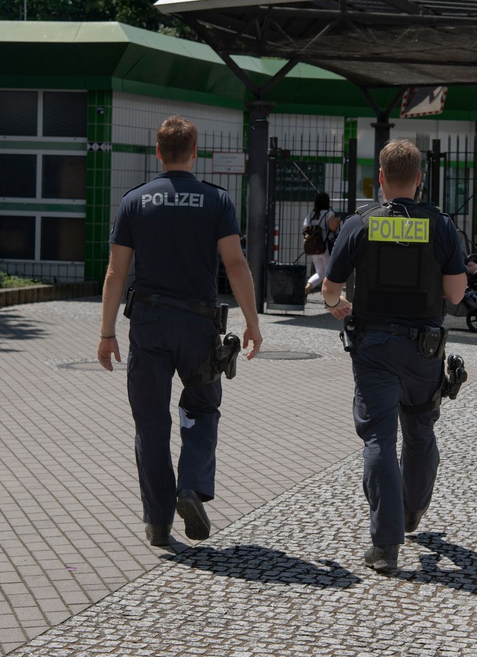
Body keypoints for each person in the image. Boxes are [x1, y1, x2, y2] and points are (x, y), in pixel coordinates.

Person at [97, 115, 263, 548]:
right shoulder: (216, 200)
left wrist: (106, 332)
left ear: (158, 153)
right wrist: (252, 322)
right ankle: (190, 485)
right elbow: (235, 264)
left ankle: (157, 523)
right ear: (194, 153)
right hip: (198, 326)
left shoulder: (135, 201)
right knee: (202, 409)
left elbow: (116, 272)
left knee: (150, 423)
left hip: (149, 325)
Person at [321, 139, 467, 572]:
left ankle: (385, 546)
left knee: (379, 439)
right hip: (424, 349)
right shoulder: (441, 225)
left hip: (375, 349)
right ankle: (411, 510)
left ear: (381, 178)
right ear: (419, 179)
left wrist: (336, 305)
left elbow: (330, 288)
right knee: (419, 431)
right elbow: (456, 294)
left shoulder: (360, 223)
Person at [303, 192, 341, 296]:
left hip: (314, 248)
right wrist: (337, 221)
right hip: (325, 247)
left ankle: (307, 287)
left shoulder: (311, 215)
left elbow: (305, 227)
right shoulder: (329, 214)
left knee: (320, 272)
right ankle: (327, 295)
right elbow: (333, 228)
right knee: (329, 273)